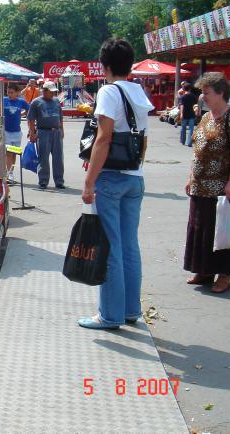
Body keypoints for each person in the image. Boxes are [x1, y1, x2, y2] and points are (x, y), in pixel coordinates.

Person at [79, 38, 154, 330]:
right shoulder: (138, 92)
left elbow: (104, 138)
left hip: (110, 177)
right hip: (134, 177)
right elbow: (144, 138)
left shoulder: (109, 91)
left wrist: (89, 181)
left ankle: (109, 315)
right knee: (129, 246)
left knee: (109, 246)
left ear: (105, 65)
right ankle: (130, 310)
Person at [184, 72, 230, 293]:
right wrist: (191, 176)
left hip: (221, 185)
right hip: (200, 185)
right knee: (201, 228)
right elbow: (198, 151)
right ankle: (204, 269)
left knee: (221, 230)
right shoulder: (205, 117)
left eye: (207, 93)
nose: (203, 97)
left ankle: (224, 274)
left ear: (221, 93)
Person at [27, 81, 64, 189]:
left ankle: (59, 181)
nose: (53, 94)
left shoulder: (56, 101)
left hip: (56, 131)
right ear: (44, 91)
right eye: (51, 92)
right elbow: (31, 119)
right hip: (43, 132)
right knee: (43, 158)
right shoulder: (36, 102)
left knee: (58, 158)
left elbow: (60, 117)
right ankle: (43, 181)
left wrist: (62, 130)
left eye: (54, 92)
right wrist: (32, 133)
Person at [0, 84, 29, 177]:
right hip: (6, 132)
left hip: (17, 132)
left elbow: (29, 109)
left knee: (14, 153)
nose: (9, 94)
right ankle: (8, 173)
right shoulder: (3, 100)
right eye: (8, 92)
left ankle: (11, 171)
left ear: (17, 93)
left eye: (12, 92)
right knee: (8, 153)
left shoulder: (21, 102)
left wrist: (22, 114)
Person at [178, 82, 198, 146]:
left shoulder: (183, 97)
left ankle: (182, 141)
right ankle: (189, 142)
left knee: (183, 127)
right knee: (191, 129)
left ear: (184, 89)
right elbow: (195, 105)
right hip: (191, 114)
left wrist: (181, 113)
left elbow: (182, 106)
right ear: (190, 89)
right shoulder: (193, 96)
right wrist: (196, 112)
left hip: (184, 114)